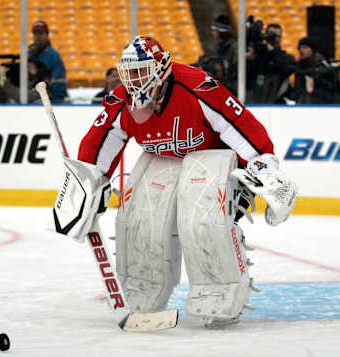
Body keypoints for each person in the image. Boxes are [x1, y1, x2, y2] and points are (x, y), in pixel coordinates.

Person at [56, 36, 297, 328]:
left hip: (211, 159)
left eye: (141, 70)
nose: (133, 80)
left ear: (161, 69)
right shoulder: (122, 99)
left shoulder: (196, 87)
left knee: (201, 221)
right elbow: (101, 140)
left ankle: (220, 291)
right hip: (161, 161)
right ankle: (142, 291)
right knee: (139, 221)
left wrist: (263, 168)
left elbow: (239, 125)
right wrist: (87, 183)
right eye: (129, 71)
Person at [246, 23, 296, 103]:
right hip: (253, 102)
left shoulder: (287, 58)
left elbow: (286, 69)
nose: (275, 38)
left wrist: (272, 51)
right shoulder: (257, 55)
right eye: (272, 35)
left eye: (278, 36)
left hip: (275, 104)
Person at [29, 21, 68, 103]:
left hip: (48, 98)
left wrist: (54, 103)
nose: (37, 36)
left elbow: (59, 82)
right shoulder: (28, 55)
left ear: (46, 35)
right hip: (31, 97)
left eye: (40, 33)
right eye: (35, 33)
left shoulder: (53, 56)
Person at [293, 37, 338, 104]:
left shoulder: (324, 68)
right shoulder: (299, 67)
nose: (301, 50)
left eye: (305, 47)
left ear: (312, 50)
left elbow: (331, 91)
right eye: (299, 48)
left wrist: (313, 90)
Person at [211, 14, 238, 95]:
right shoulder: (216, 47)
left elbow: (234, 72)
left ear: (221, 31)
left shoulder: (234, 48)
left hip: (232, 90)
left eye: (214, 30)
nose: (212, 32)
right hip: (222, 88)